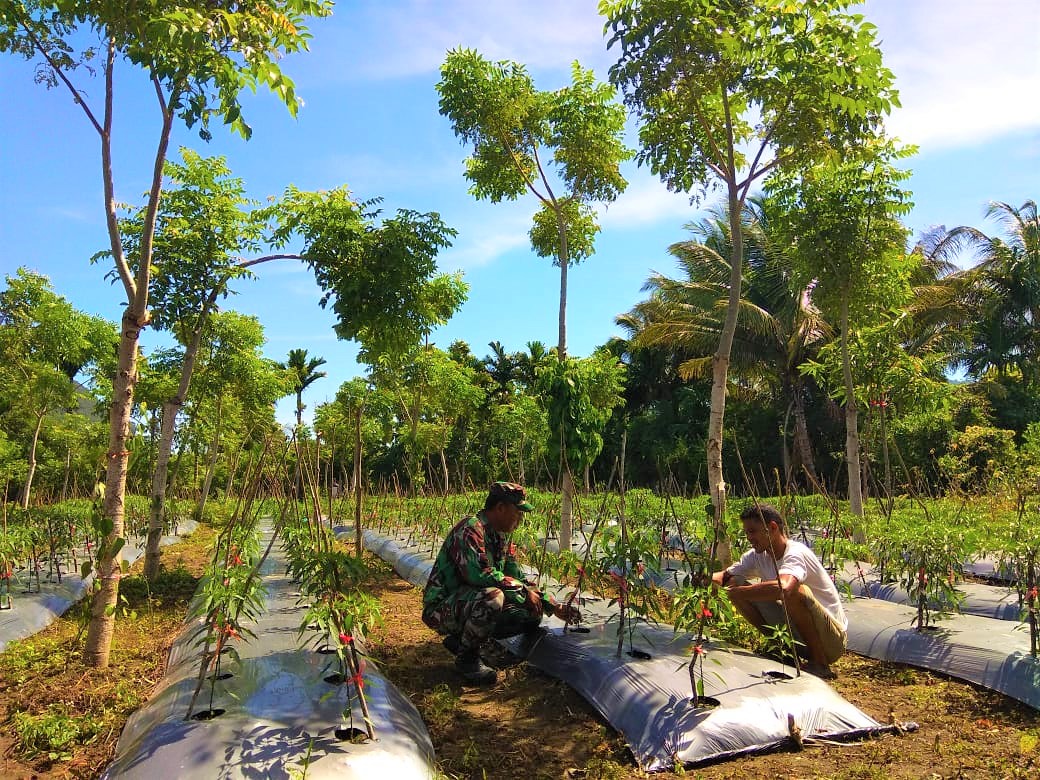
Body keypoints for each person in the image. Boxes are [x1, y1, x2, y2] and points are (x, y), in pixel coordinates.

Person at [422, 481, 581, 685]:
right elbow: (479, 575)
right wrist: (523, 592)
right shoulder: (470, 530)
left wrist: (552, 605)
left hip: (468, 603)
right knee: (493, 597)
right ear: (500, 508)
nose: (520, 519)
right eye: (518, 512)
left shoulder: (500, 538)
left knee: (532, 612)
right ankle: (467, 660)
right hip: (442, 609)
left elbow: (518, 578)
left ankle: (462, 641)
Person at [712, 503, 847, 679]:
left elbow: (784, 587)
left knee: (794, 591)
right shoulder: (757, 555)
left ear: (772, 527)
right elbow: (725, 576)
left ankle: (820, 663)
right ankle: (782, 651)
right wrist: (706, 579)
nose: (749, 538)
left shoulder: (795, 553)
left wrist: (737, 593)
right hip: (799, 636)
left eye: (752, 531)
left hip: (831, 640)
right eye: (746, 533)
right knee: (734, 583)